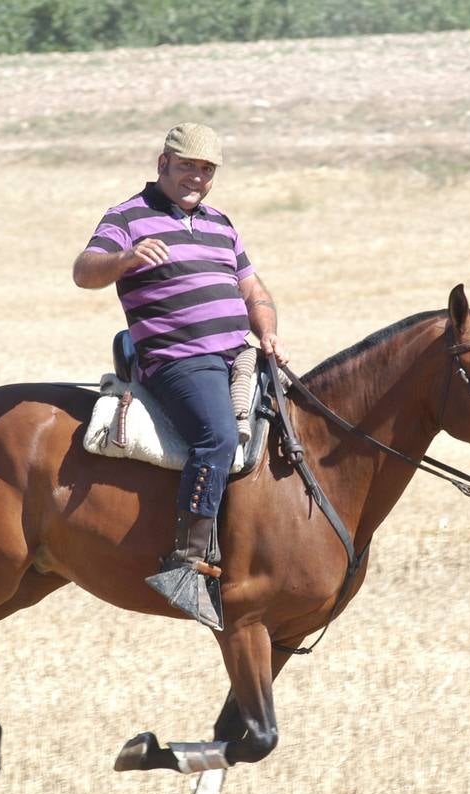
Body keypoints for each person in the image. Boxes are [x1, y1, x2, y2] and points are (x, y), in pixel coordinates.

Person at [72, 122, 287, 627]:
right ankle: (187, 563)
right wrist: (124, 259)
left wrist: (269, 332)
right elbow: (84, 271)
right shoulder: (127, 216)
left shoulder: (220, 223)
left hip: (240, 353)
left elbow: (254, 291)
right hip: (178, 359)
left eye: (206, 170)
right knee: (215, 437)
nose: (197, 177)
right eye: (187, 166)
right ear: (162, 163)